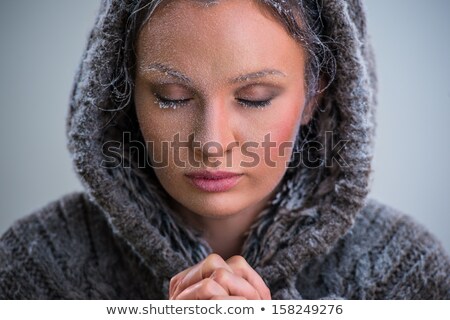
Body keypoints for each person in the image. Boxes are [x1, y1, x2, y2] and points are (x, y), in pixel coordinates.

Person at [0, 0, 449, 300]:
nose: (212, 144)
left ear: (316, 94)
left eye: (254, 97)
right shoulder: (31, 270)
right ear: (120, 89)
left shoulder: (408, 278)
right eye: (172, 96)